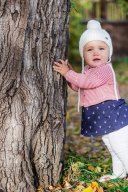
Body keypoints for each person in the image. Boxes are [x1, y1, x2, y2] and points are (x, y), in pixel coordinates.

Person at [53, 19, 128, 182]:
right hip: (105, 116)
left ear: (109, 52)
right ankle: (119, 173)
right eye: (90, 49)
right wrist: (71, 74)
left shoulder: (104, 69)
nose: (96, 53)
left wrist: (67, 73)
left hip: (114, 115)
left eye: (101, 48)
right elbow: (80, 87)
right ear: (83, 54)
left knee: (121, 146)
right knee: (112, 146)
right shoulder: (88, 70)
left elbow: (87, 82)